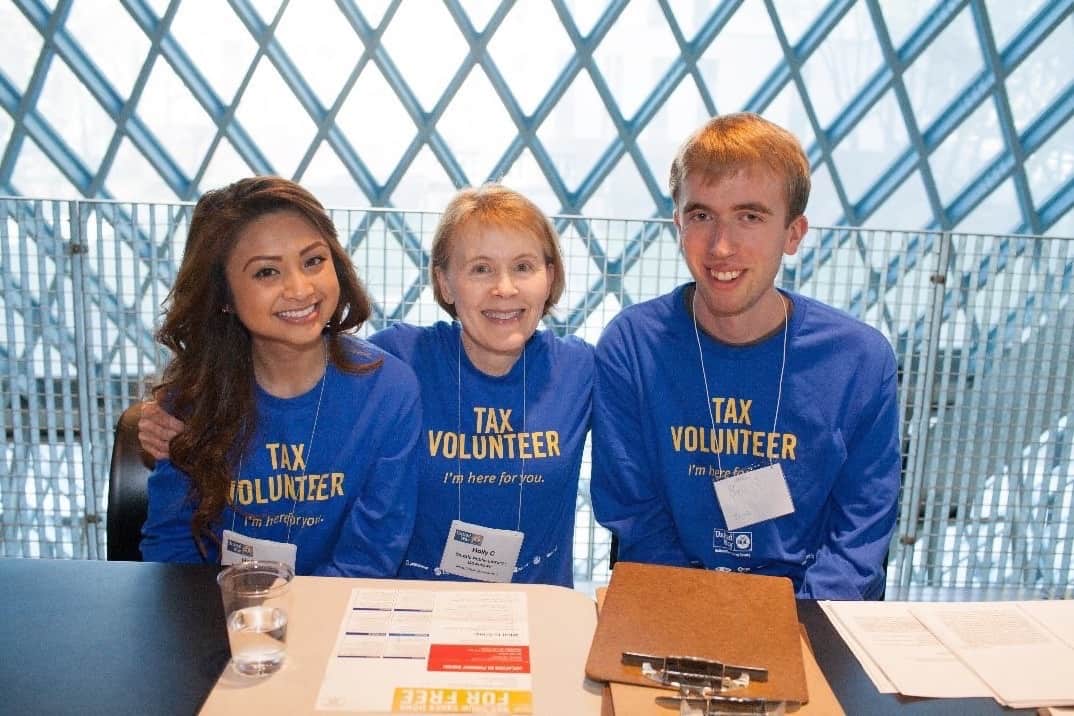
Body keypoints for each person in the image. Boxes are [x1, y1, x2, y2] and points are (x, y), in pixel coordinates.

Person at [140, 183, 593, 587]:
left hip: (536, 613)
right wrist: (149, 418)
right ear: (444, 282)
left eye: (524, 266)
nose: (504, 288)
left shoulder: (581, 369)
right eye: (479, 269)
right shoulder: (400, 362)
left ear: (550, 276)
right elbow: (310, 370)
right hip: (398, 610)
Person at [590, 113, 900, 600]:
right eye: (701, 215)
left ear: (793, 234)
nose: (721, 245)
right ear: (678, 224)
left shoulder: (859, 360)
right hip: (674, 602)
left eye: (749, 216)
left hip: (806, 614)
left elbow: (859, 535)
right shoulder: (633, 345)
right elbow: (636, 515)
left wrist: (790, 627)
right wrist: (709, 621)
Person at [139, 176, 421, 577]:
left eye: (313, 261)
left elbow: (370, 556)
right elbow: (170, 544)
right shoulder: (192, 398)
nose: (300, 288)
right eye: (267, 272)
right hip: (222, 618)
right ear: (222, 297)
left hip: (335, 618)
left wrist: (292, 627)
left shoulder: (389, 390)